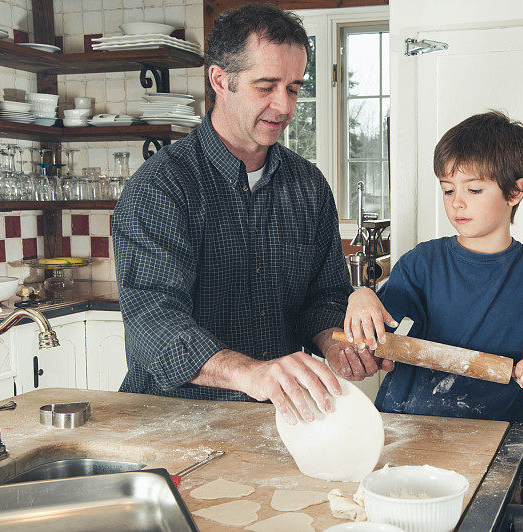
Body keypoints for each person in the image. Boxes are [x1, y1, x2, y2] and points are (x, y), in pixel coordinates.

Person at [113, 3, 386, 425]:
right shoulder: (161, 188)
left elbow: (323, 299)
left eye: (293, 88)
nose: (284, 106)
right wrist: (252, 374)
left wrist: (337, 346)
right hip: (171, 422)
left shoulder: (308, 185)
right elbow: (155, 326)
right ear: (220, 80)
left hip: (279, 422)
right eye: (266, 86)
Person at [345, 111, 523, 422]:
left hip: (488, 431)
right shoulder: (423, 262)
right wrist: (360, 296)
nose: (456, 202)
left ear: (514, 192)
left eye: (473, 190)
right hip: (406, 421)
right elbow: (378, 317)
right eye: (448, 189)